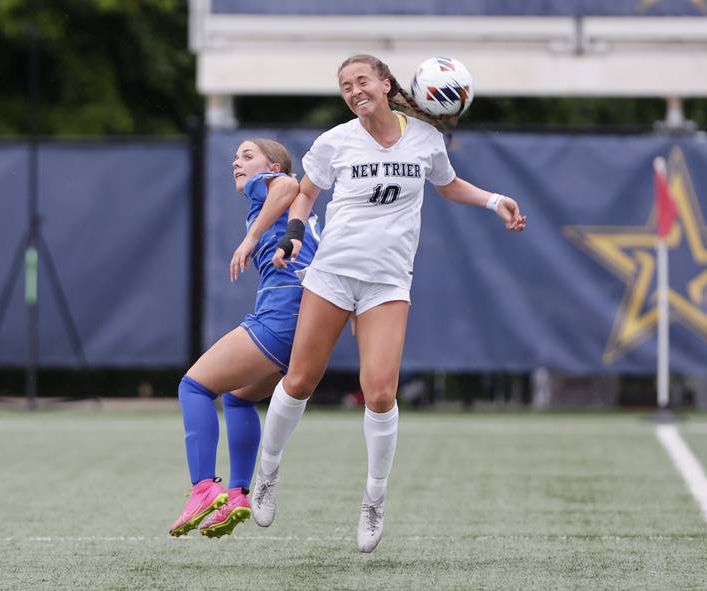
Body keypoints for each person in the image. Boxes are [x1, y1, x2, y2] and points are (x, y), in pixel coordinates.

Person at [250, 54, 526, 553]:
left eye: (362, 81)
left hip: (387, 283)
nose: (354, 90)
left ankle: (374, 497)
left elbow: (447, 185)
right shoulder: (334, 141)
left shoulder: (425, 139)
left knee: (379, 393)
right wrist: (292, 236)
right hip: (332, 275)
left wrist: (493, 200)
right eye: (344, 85)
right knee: (299, 381)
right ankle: (267, 472)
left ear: (385, 83)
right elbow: (305, 194)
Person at [168, 138, 320, 539]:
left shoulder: (271, 185)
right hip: (307, 321)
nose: (237, 162)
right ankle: (237, 493)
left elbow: (290, 183)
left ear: (271, 165)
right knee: (238, 398)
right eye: (235, 157)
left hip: (281, 315)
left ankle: (203, 486)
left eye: (247, 156)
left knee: (194, 387)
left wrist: (251, 238)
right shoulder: (295, 214)